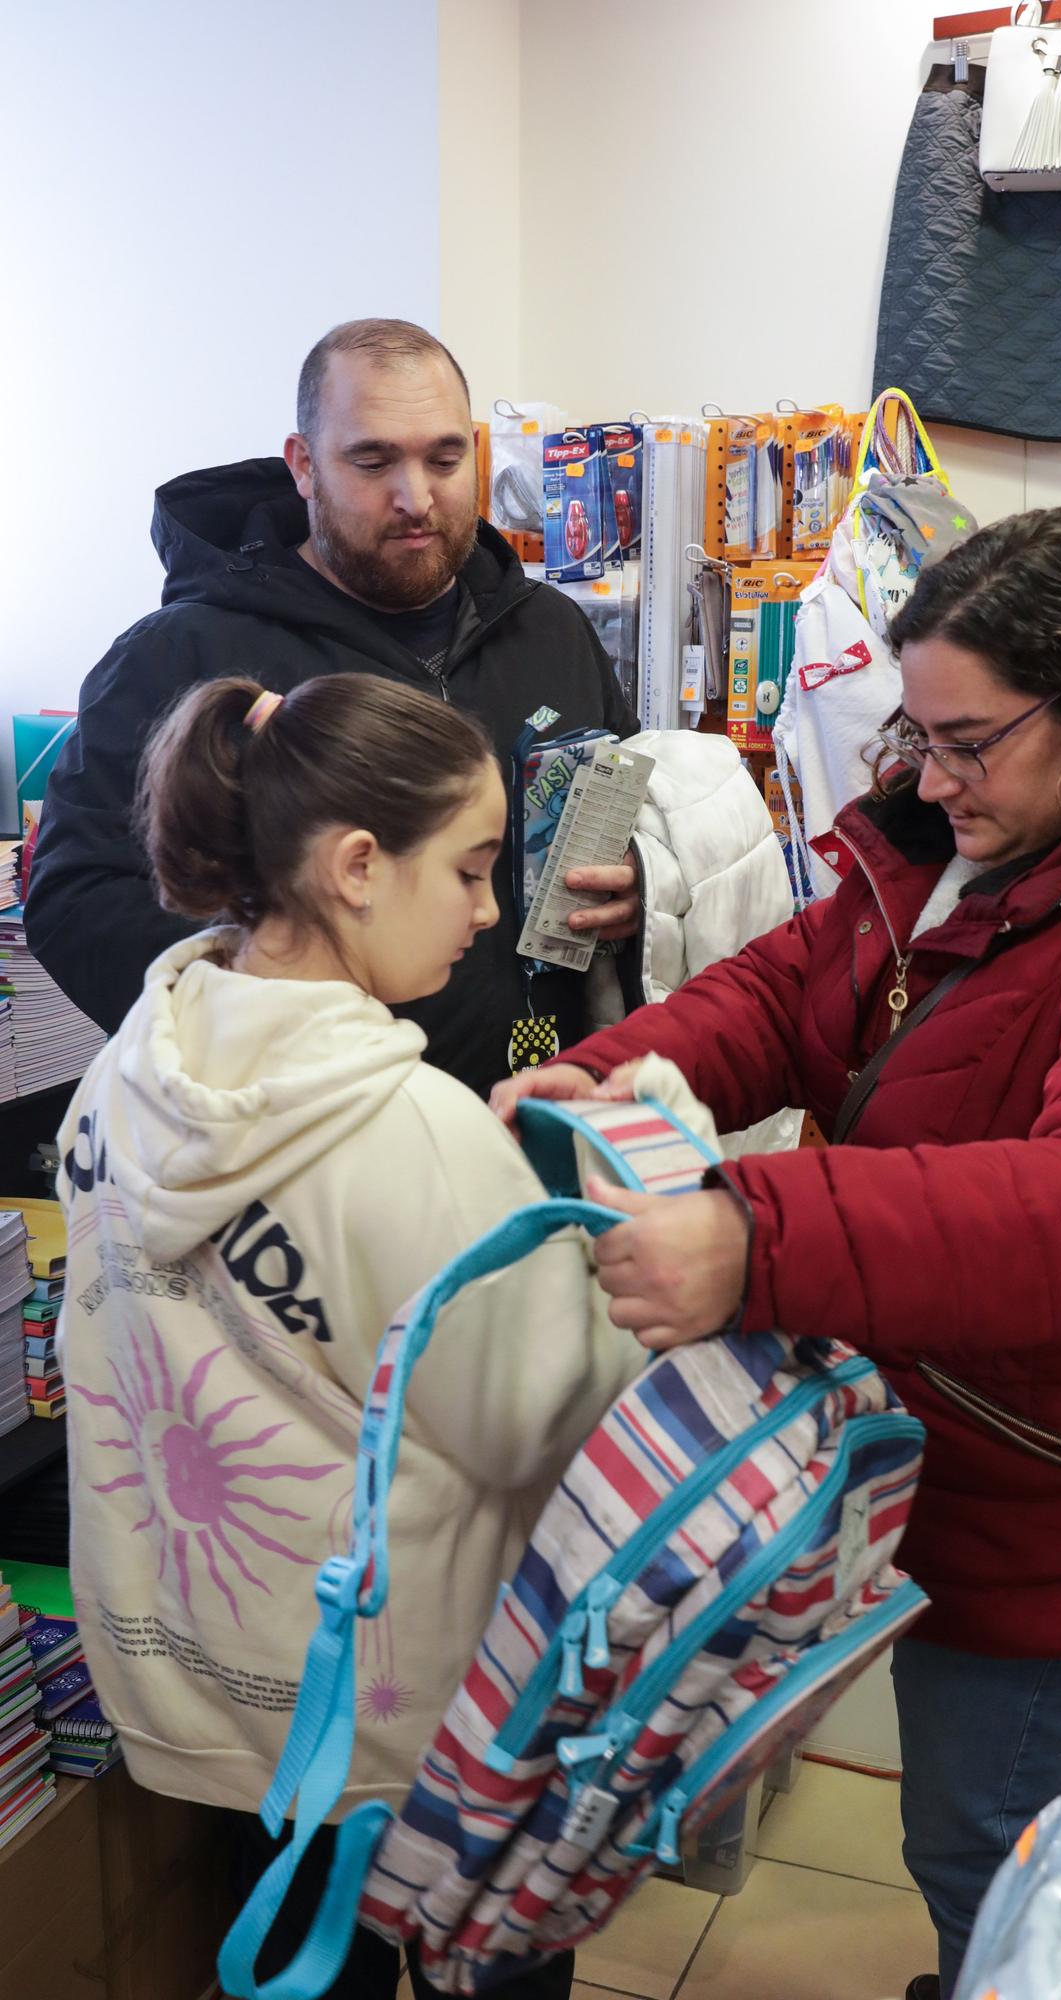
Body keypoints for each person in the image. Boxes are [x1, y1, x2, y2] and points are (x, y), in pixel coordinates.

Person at [491, 508, 1061, 1999]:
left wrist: (756, 1236)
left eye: (969, 742)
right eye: (917, 737)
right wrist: (618, 1072)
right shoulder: (962, 852)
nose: (930, 778)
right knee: (979, 1847)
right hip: (944, 1439)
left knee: (1000, 1859)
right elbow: (787, 994)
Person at [56, 672, 643, 2000]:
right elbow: (536, 1420)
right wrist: (617, 1241)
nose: (493, 913)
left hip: (209, 1685)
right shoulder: (413, 1131)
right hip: (404, 1728)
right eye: (474, 869)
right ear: (360, 865)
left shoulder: (130, 1066)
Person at [27, 318, 639, 1099]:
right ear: (304, 466)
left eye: (444, 459)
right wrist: (271, 1020)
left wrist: (635, 885)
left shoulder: (551, 631)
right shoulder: (178, 656)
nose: (415, 497)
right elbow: (78, 899)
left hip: (534, 1113)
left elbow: (633, 818)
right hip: (293, 1138)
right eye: (373, 460)